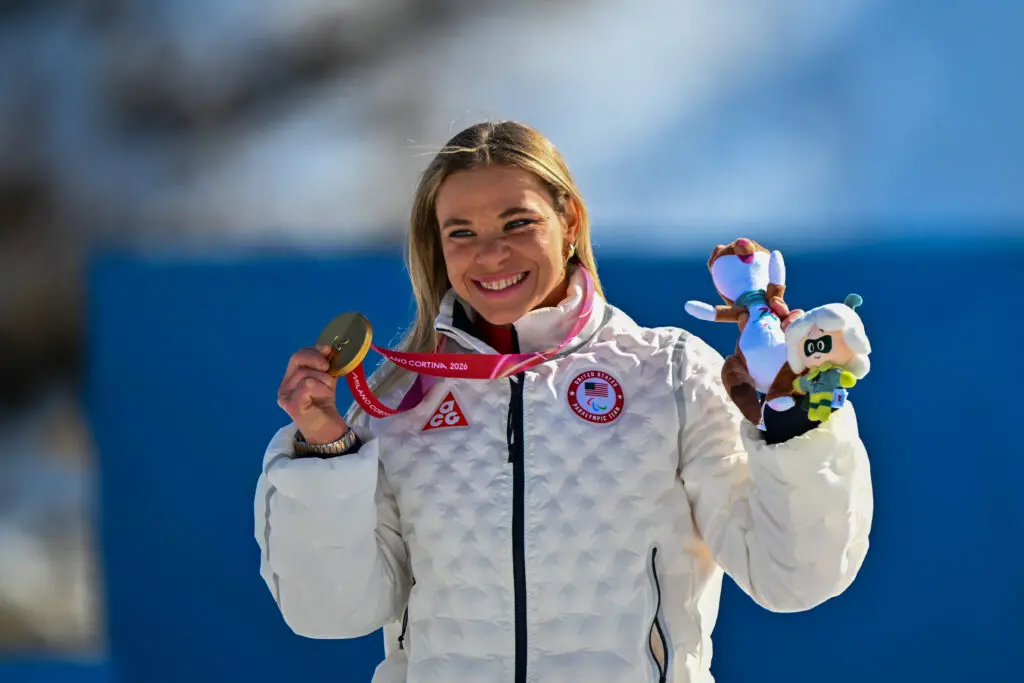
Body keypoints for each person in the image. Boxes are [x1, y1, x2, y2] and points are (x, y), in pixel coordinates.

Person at [254, 121, 874, 683]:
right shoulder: (395, 399)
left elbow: (794, 577)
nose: (490, 254)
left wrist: (797, 426)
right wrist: (324, 449)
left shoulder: (670, 373)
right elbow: (331, 612)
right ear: (436, 247)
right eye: (461, 233)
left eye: (517, 223)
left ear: (569, 220)